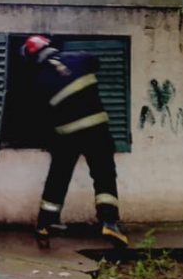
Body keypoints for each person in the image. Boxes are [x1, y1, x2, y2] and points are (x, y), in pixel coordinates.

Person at [22, 34, 130, 250]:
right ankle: (109, 222)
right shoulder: (79, 57)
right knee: (104, 175)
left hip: (66, 136)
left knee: (58, 177)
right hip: (97, 131)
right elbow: (95, 61)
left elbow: (39, 117)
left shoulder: (39, 80)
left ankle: (45, 225)